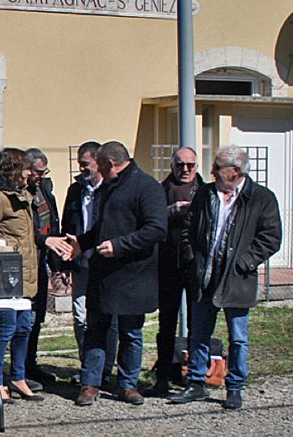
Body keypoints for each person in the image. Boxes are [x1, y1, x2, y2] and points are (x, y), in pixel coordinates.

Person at [168, 145, 281, 410]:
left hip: (237, 278)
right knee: (198, 332)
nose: (212, 172)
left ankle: (234, 386)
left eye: (218, 168)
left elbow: (271, 237)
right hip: (203, 274)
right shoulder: (206, 194)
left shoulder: (261, 198)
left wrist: (245, 262)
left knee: (238, 336)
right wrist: (190, 257)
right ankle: (196, 382)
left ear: (236, 171)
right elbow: (188, 226)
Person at [68, 141, 167, 407]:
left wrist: (119, 246)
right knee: (96, 330)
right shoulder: (109, 188)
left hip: (133, 274)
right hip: (103, 273)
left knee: (131, 332)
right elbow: (103, 227)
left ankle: (127, 384)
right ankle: (91, 383)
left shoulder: (147, 187)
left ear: (111, 163)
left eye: (99, 165)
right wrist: (82, 242)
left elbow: (156, 229)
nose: (96, 170)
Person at [0, 148, 66, 402]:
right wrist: (6, 249)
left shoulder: (25, 196)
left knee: (25, 327)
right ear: (14, 170)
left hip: (28, 273)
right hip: (6, 276)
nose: (29, 173)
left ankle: (18, 376)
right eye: (26, 168)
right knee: (7, 328)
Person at [146, 147, 205, 396]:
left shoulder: (206, 191)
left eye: (190, 165)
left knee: (197, 323)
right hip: (167, 263)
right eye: (180, 165)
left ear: (197, 166)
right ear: (172, 166)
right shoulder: (160, 191)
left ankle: (195, 378)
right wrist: (172, 211)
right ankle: (162, 377)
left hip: (195, 264)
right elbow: (151, 220)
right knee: (166, 324)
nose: (185, 170)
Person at [60, 141, 119, 385]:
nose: (81, 169)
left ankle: (105, 370)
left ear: (99, 163)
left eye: (85, 164)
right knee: (81, 317)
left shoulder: (111, 189)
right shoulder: (76, 190)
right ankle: (88, 368)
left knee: (109, 318)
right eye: (80, 165)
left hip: (104, 261)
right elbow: (67, 225)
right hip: (80, 263)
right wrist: (64, 264)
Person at [23, 148, 62, 388]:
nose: (41, 175)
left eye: (44, 171)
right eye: (39, 171)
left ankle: (30, 364)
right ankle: (19, 370)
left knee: (37, 318)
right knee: (24, 319)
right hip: (27, 261)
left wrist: (58, 265)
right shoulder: (19, 193)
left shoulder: (45, 191)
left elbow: (53, 225)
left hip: (43, 260)